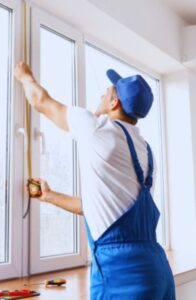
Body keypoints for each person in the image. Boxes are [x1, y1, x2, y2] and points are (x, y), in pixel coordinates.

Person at [14, 61, 176, 299]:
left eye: (106, 92)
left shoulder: (96, 128)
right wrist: (49, 196)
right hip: (157, 270)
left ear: (114, 103)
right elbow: (105, 209)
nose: (101, 95)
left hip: (121, 273)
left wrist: (24, 76)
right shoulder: (144, 149)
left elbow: (41, 101)